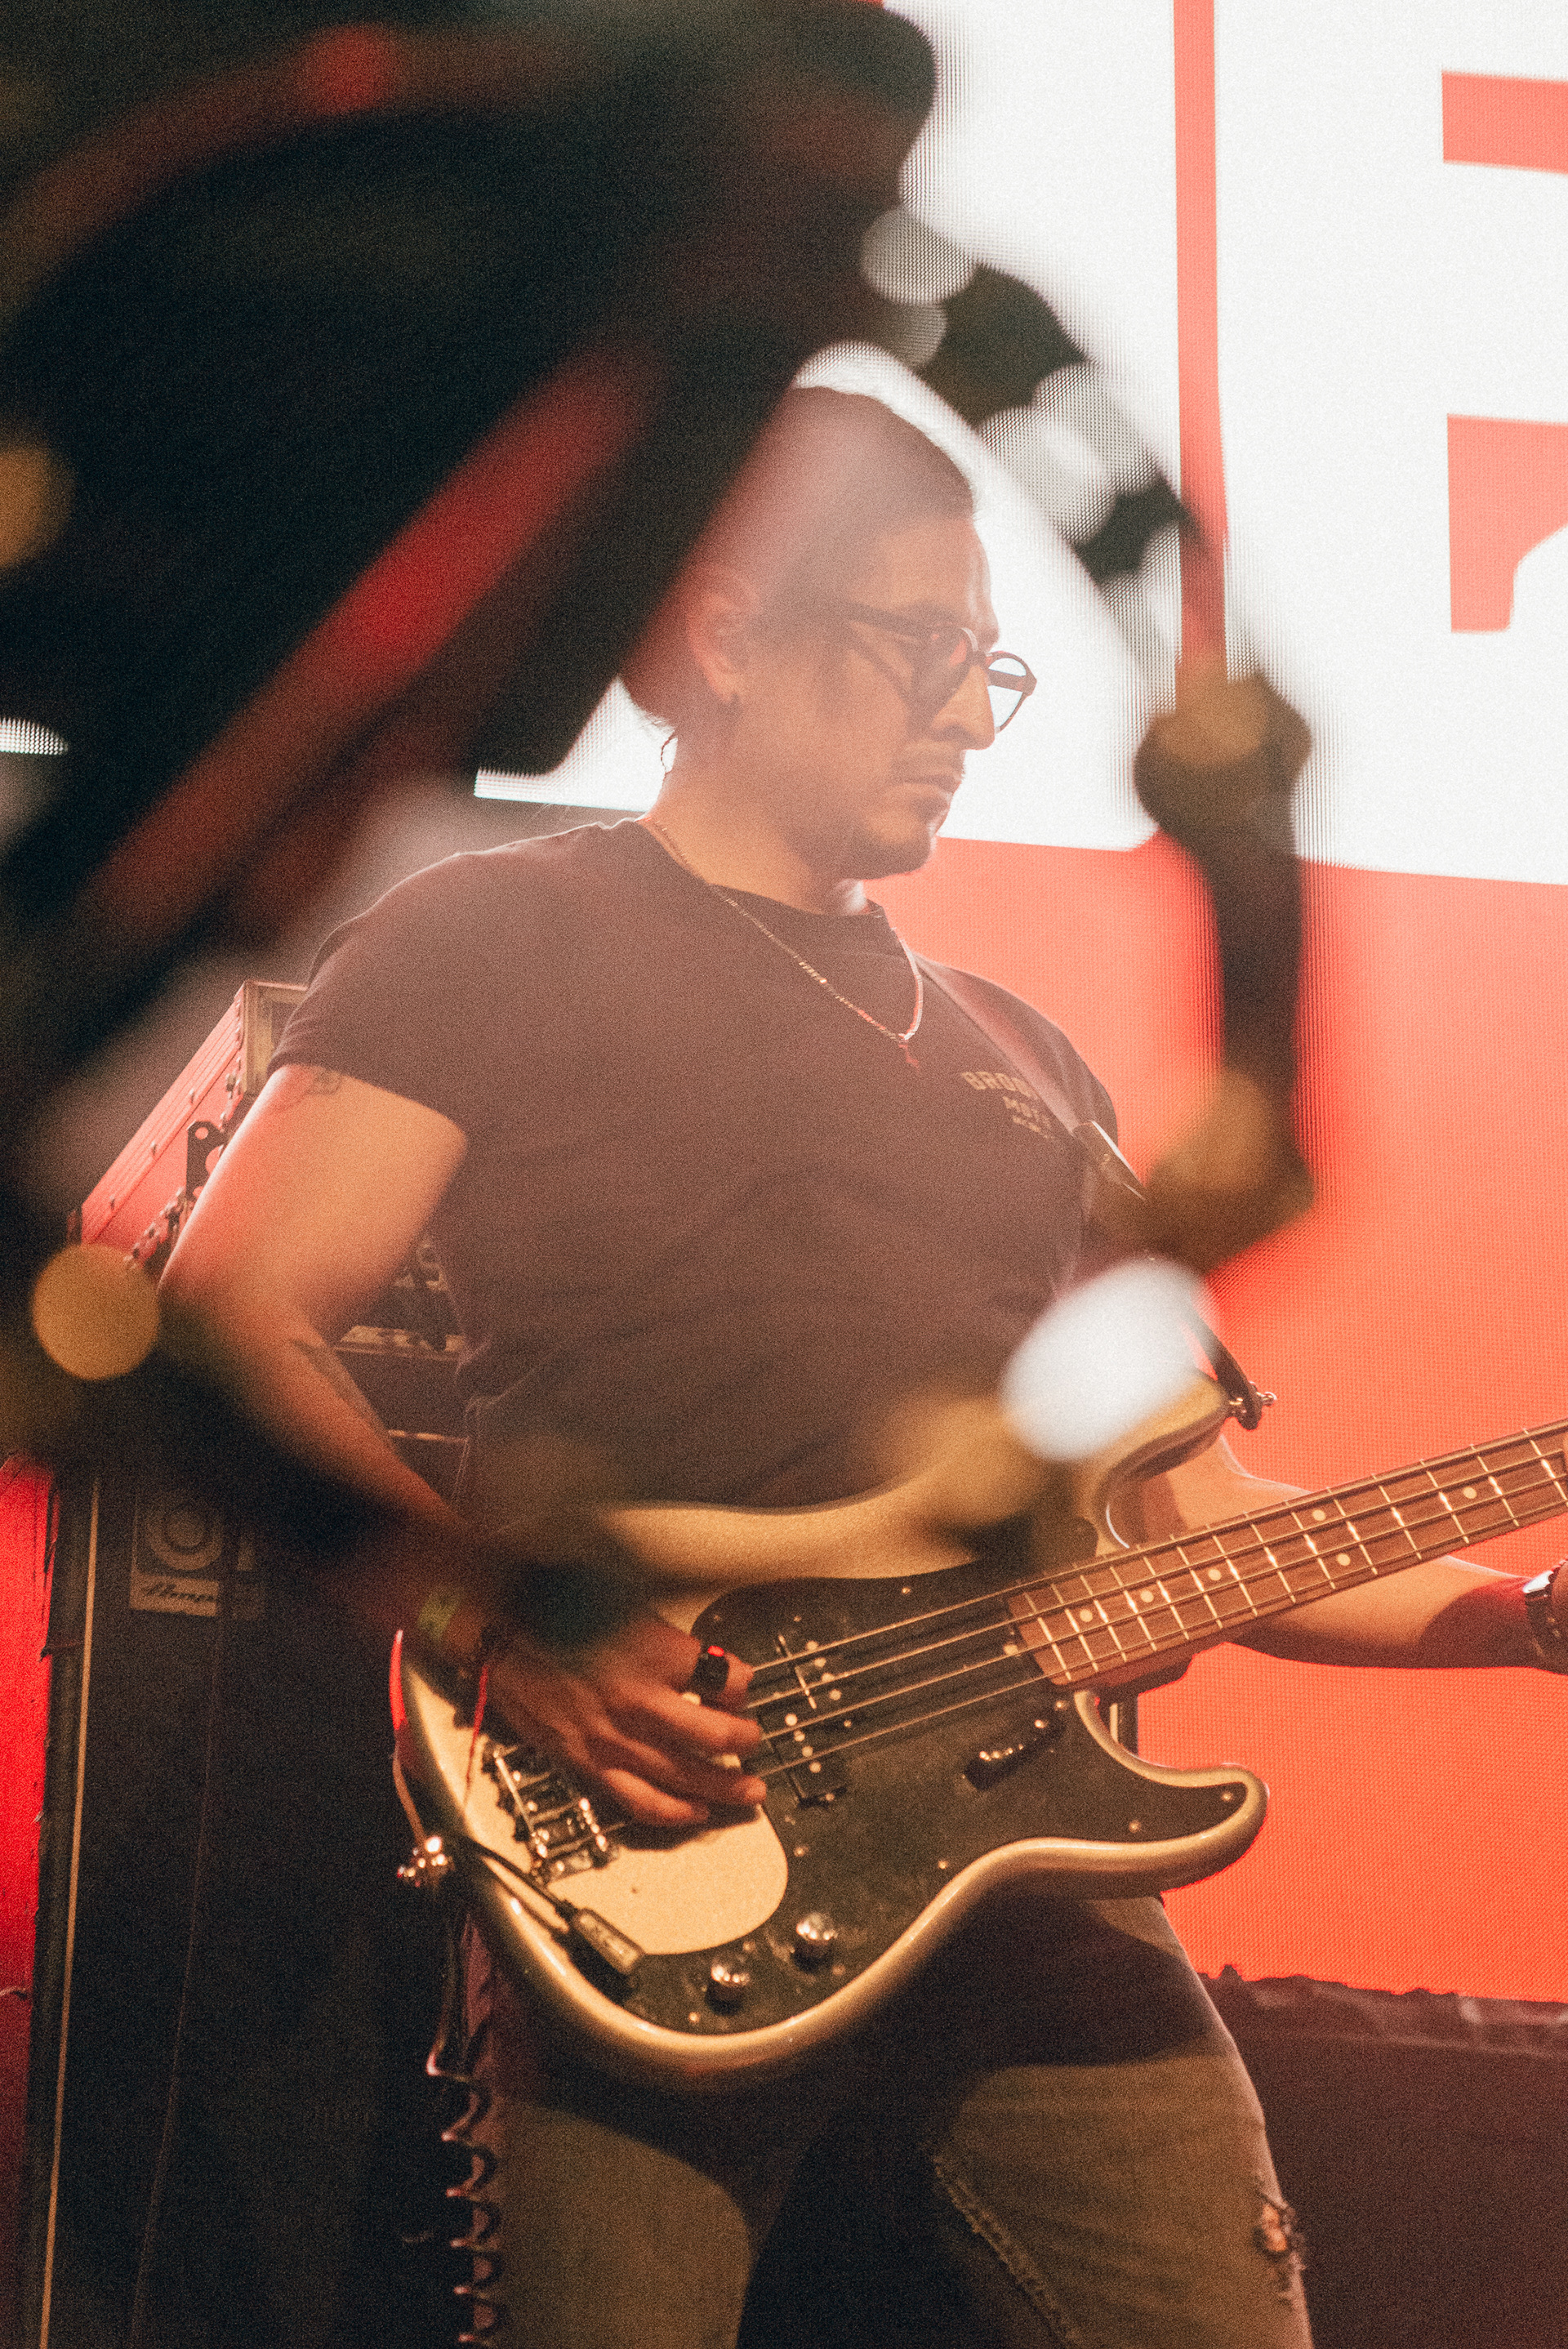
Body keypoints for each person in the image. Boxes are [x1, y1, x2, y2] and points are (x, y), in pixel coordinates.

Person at [160, 389, 1566, 2349]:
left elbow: (1196, 1516)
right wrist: (504, 1618)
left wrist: (1531, 1618)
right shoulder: (493, 939)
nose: (970, 716)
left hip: (1037, 1875)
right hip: (661, 1826)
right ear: (732, 635)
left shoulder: (1028, 1061)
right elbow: (228, 1314)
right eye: (924, 650)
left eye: (993, 667)